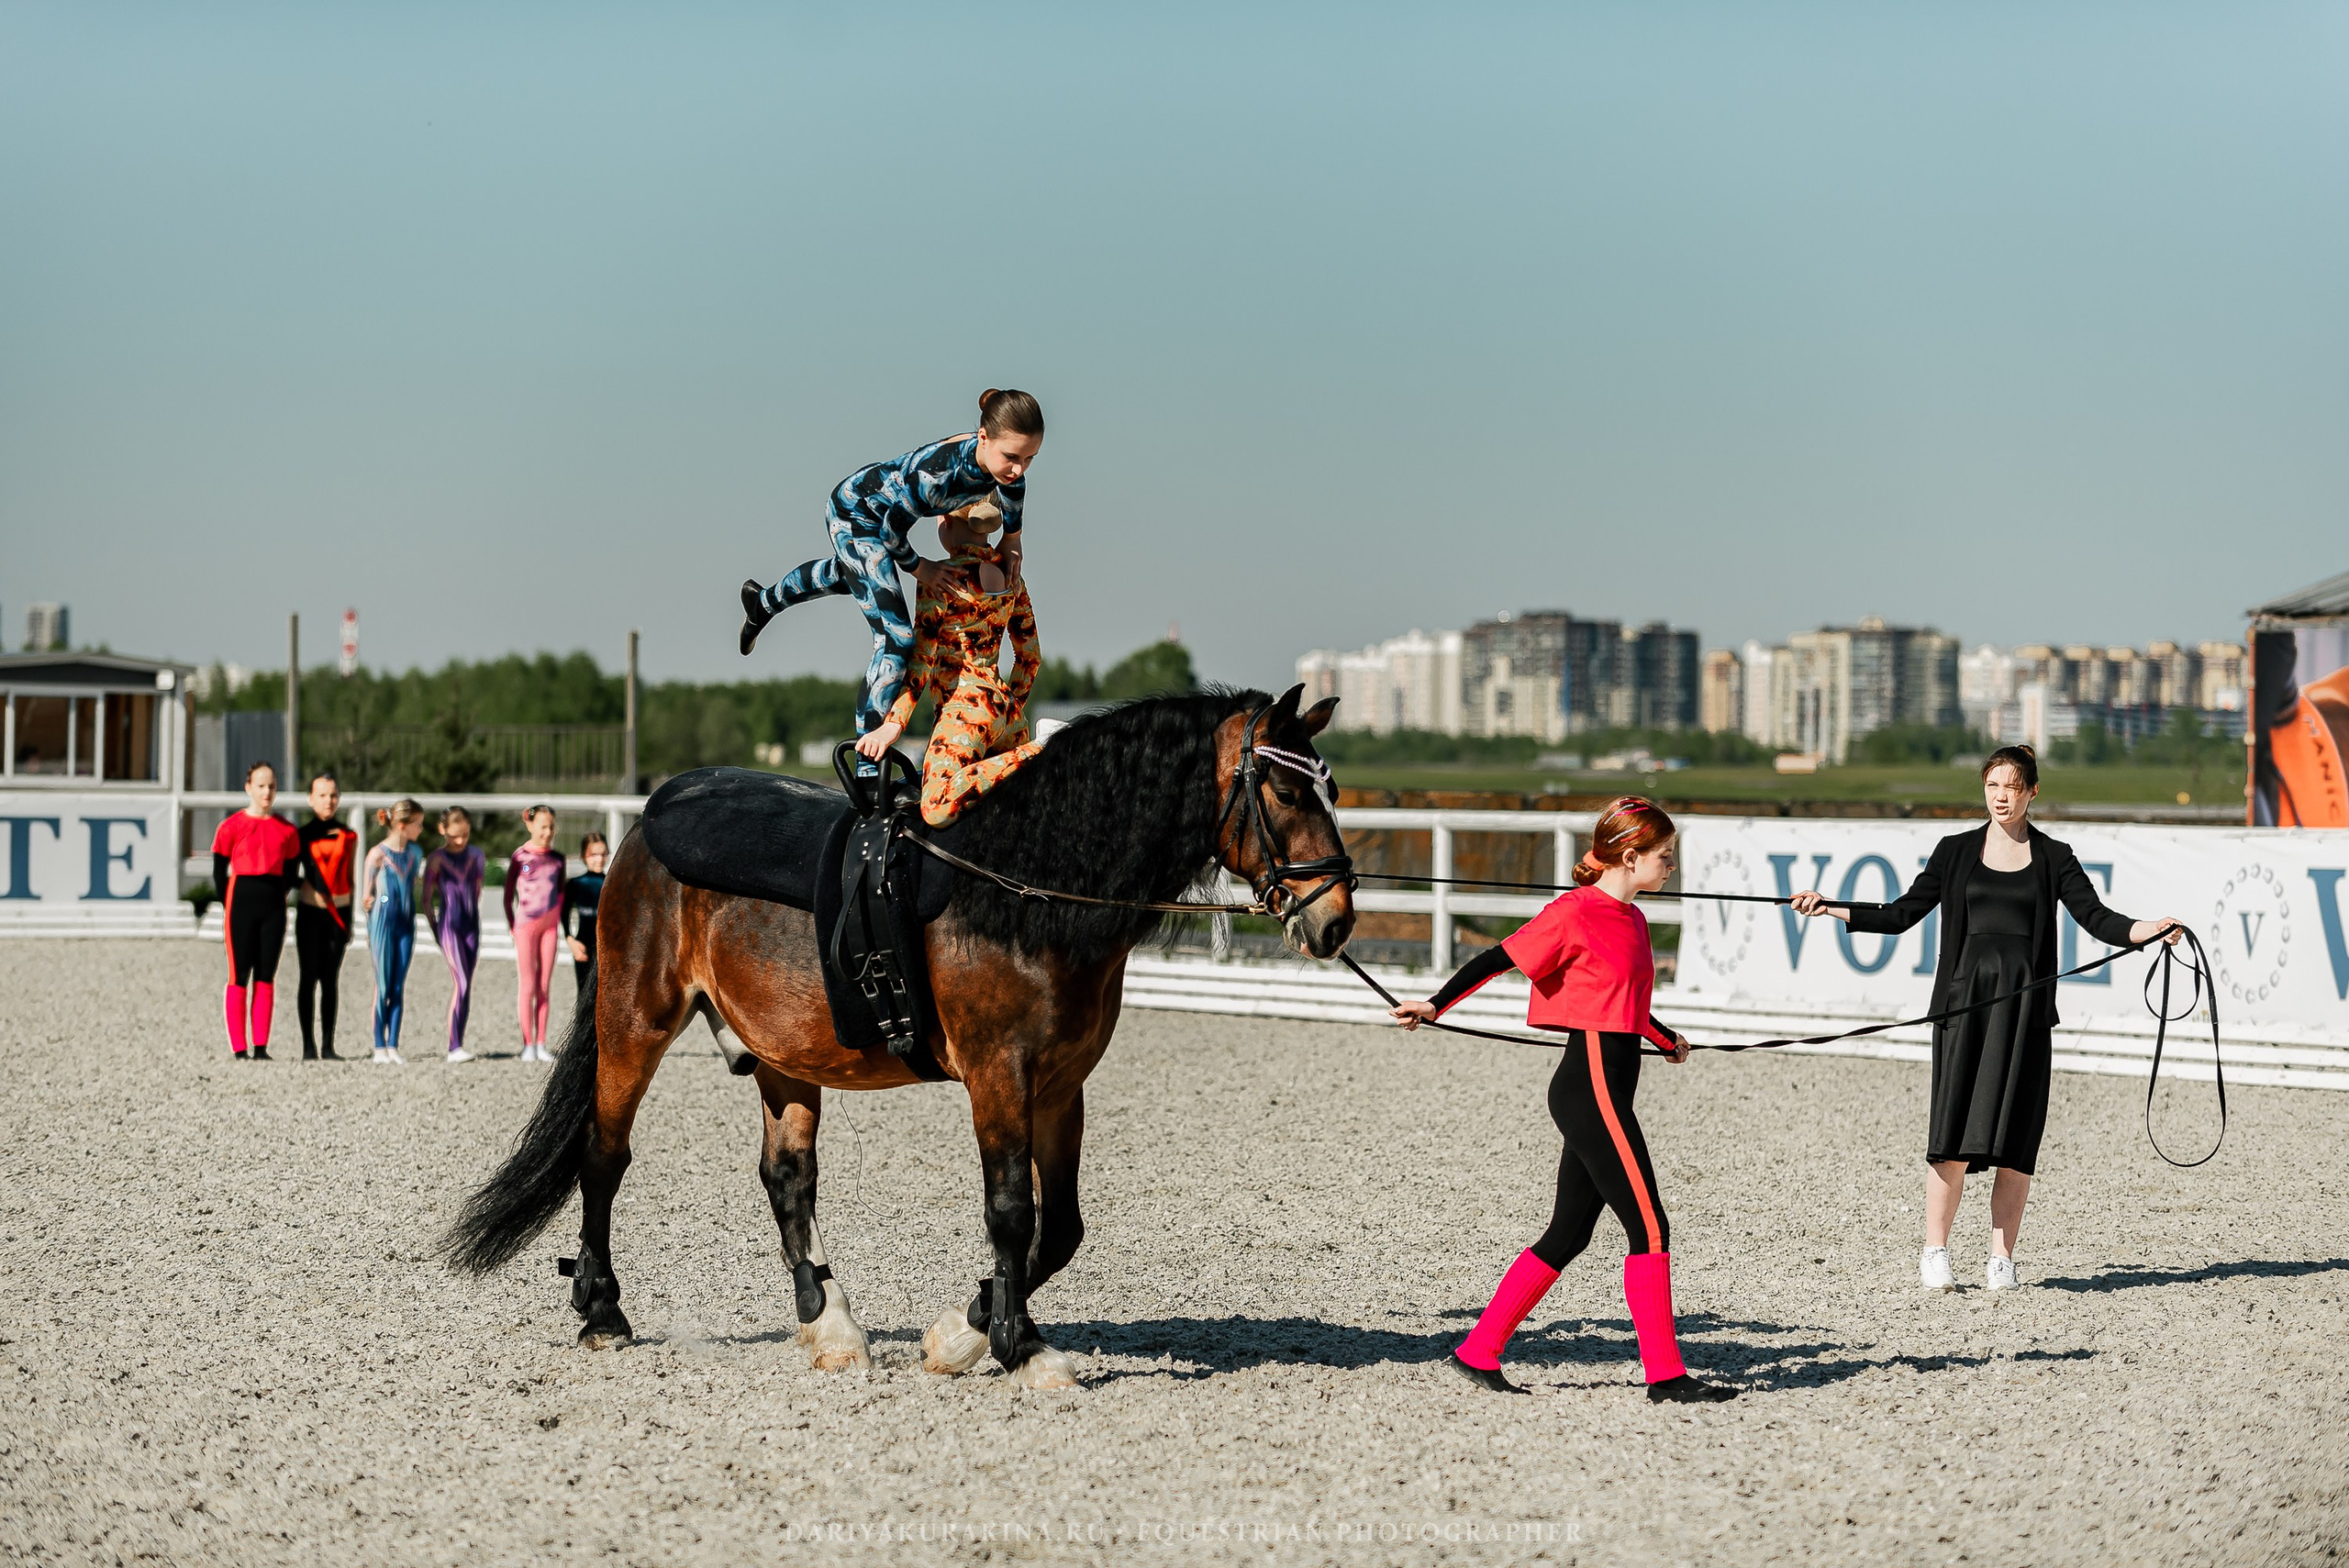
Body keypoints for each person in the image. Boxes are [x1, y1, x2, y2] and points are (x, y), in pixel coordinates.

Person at [1788, 745, 2185, 1293]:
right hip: (1963, 1011)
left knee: (2017, 1142)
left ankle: (2002, 1259)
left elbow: (2098, 919)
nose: (2001, 796)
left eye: (2013, 786)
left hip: (2025, 1015)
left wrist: (2149, 929)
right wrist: (1830, 906)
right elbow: (1903, 913)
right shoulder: (1954, 851)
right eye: (1992, 785)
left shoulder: (2055, 858)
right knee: (1951, 1135)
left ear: (2032, 793)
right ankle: (1935, 1251)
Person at [1392, 797, 1736, 1405]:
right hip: (1590, 1086)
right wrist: (1434, 1004)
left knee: (1568, 1232)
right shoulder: (1574, 912)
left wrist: (1666, 1038)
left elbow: (1619, 999)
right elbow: (1499, 957)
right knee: (1650, 1226)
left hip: (1610, 1079)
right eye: (1665, 857)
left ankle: (1478, 1349)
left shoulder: (1632, 918)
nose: (1671, 866)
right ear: (1630, 857)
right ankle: (1666, 1376)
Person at [736, 389, 1045, 773]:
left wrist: (1013, 539)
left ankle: (763, 602)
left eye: (1030, 458)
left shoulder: (1003, 470)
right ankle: (868, 766)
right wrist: (922, 569)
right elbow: (891, 532)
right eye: (1012, 458)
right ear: (983, 438)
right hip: (859, 515)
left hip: (880, 526)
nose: (1018, 469)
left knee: (856, 578)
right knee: (896, 637)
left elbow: (1015, 492)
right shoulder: (938, 476)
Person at [870, 503, 1045, 826]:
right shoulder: (1011, 577)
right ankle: (1031, 751)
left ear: (946, 521)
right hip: (1006, 709)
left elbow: (921, 662)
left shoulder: (940, 578)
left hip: (964, 711)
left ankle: (1042, 749)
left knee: (936, 805)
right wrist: (1008, 705)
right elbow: (1030, 657)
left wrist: (893, 725)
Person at [210, 761, 300, 1062]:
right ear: (248, 787)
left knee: (266, 974)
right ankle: (239, 1047)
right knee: (239, 974)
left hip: (273, 904)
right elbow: (219, 870)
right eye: (261, 786)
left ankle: (261, 1046)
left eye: (272, 786)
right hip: (241, 903)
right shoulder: (231, 826)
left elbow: (290, 871)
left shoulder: (286, 830)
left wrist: (278, 897)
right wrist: (228, 902)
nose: (267, 792)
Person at [293, 772, 359, 1061]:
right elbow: (288, 874)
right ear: (311, 799)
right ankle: (308, 1046)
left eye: (333, 795)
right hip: (309, 914)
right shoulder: (300, 835)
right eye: (322, 795)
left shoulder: (349, 835)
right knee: (308, 977)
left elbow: (351, 878)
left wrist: (352, 920)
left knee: (330, 979)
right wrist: (305, 886)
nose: (328, 801)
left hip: (338, 915)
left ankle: (329, 1045)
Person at [363, 799, 426, 1065]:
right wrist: (369, 900)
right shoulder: (377, 854)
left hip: (405, 922)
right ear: (402, 825)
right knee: (384, 984)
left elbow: (413, 882)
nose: (421, 829)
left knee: (399, 985)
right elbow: (366, 897)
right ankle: (379, 1044)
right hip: (382, 923)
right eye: (418, 825)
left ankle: (393, 1044)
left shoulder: (416, 854)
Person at [424, 806, 486, 1065]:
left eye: (465, 836)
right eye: (454, 836)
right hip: (449, 926)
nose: (460, 842)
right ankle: (453, 1046)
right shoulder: (437, 859)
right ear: (443, 830)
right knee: (460, 982)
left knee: (466, 986)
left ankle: (460, 1041)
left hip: (471, 925)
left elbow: (477, 891)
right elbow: (426, 899)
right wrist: (436, 928)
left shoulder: (477, 856)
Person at [506, 806, 567, 1062]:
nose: (547, 832)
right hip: (526, 926)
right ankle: (527, 1043)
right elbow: (509, 895)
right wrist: (512, 924)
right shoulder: (520, 857)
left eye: (551, 826)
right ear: (530, 825)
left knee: (544, 986)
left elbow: (561, 894)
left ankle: (541, 1042)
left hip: (549, 928)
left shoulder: (558, 859)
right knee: (528, 985)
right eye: (542, 826)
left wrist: (561, 926)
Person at [562, 831, 607, 1004]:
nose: (599, 859)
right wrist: (571, 941)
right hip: (583, 948)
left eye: (603, 854)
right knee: (584, 999)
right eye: (593, 854)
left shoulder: (610, 883)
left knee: (604, 1000)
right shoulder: (576, 884)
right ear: (583, 856)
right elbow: (564, 913)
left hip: (606, 949)